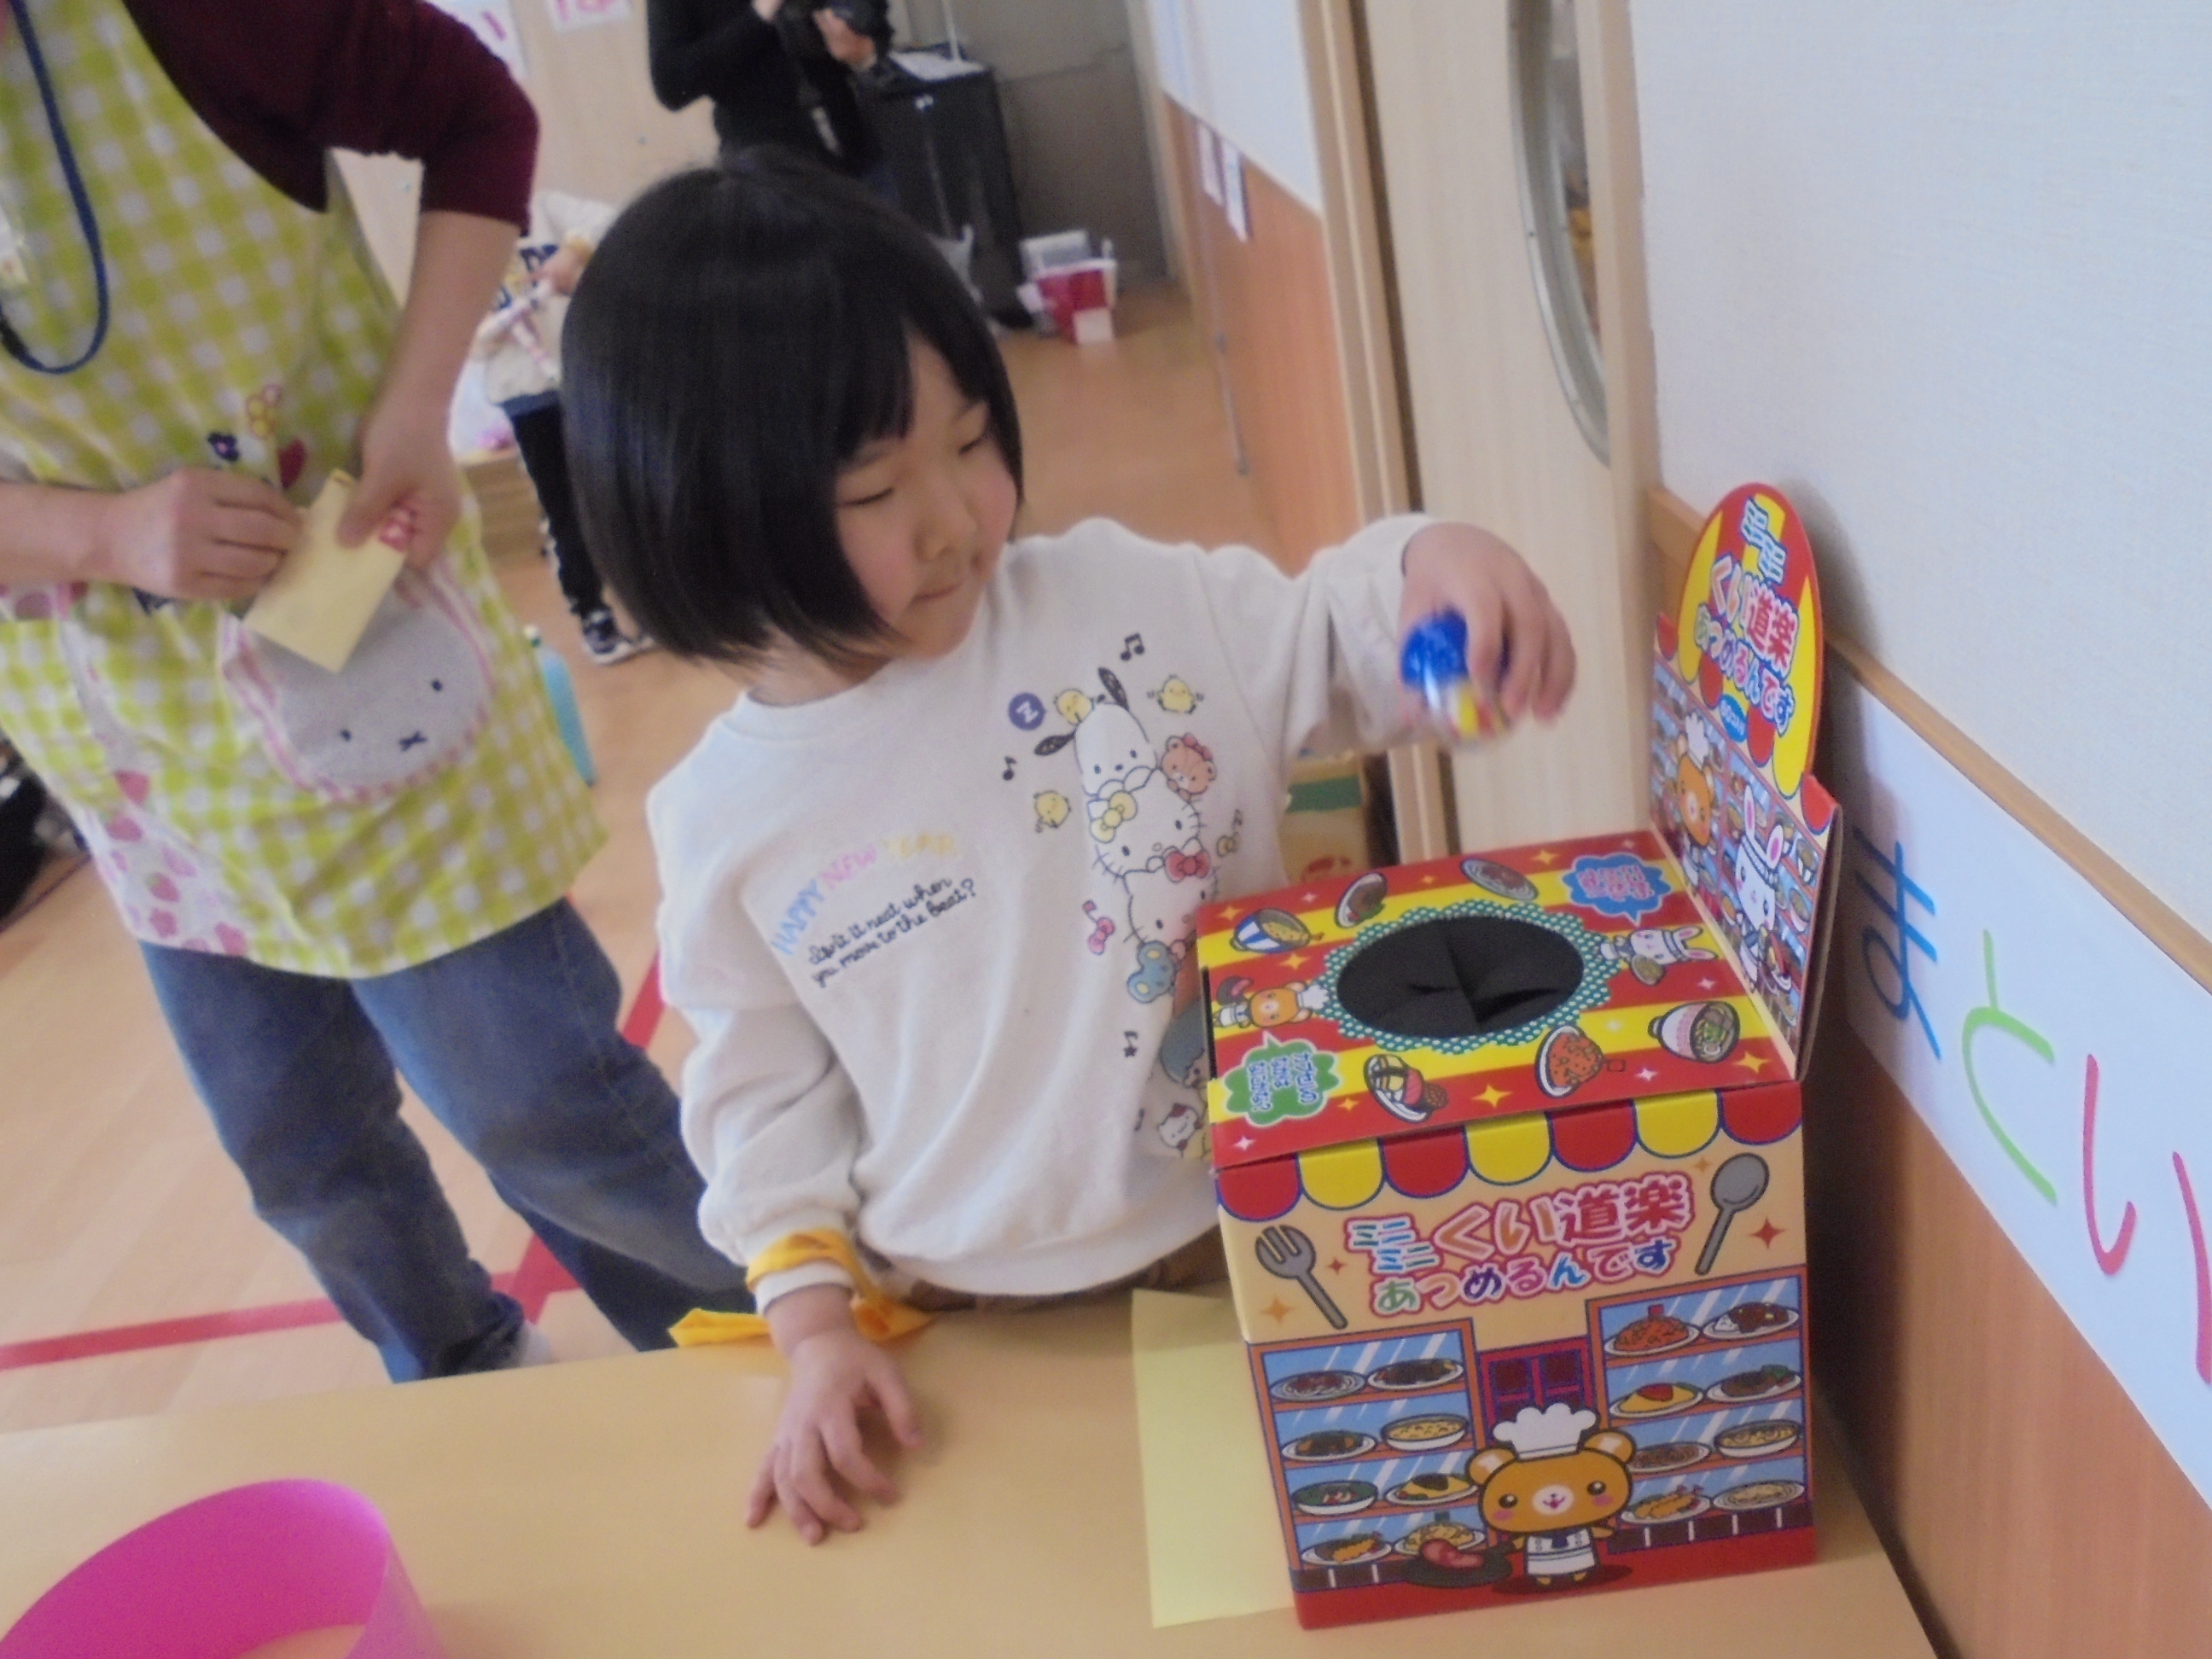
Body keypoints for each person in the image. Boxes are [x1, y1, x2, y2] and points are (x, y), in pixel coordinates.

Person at [560, 148, 1579, 1542]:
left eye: (972, 438)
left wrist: (1430, 569)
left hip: (1252, 1233)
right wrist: (812, 1329)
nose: (954, 517)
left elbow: (1336, 638)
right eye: (874, 488)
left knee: (1313, 1558)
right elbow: (763, 1102)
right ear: (704, 520)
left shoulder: (1121, 604)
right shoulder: (725, 818)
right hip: (965, 1309)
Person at [0, 0, 751, 1380]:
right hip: (133, 743)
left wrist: (414, 407)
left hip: (358, 629)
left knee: (539, 1104)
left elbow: (476, 111)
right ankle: (461, 1370)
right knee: (297, 1147)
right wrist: (96, 534)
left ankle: (762, 1339)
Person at [473, 189, 651, 665]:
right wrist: (494, 328)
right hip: (529, 400)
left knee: (623, 492)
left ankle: (649, 601)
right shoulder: (460, 241)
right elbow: (462, 340)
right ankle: (593, 613)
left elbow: (615, 218)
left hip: (586, 377)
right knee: (566, 509)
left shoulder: (546, 208)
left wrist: (574, 252)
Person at [646, 0, 895, 196]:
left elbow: (876, 25)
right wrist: (758, 16)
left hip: (862, 150)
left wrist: (866, 53)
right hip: (767, 174)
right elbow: (672, 84)